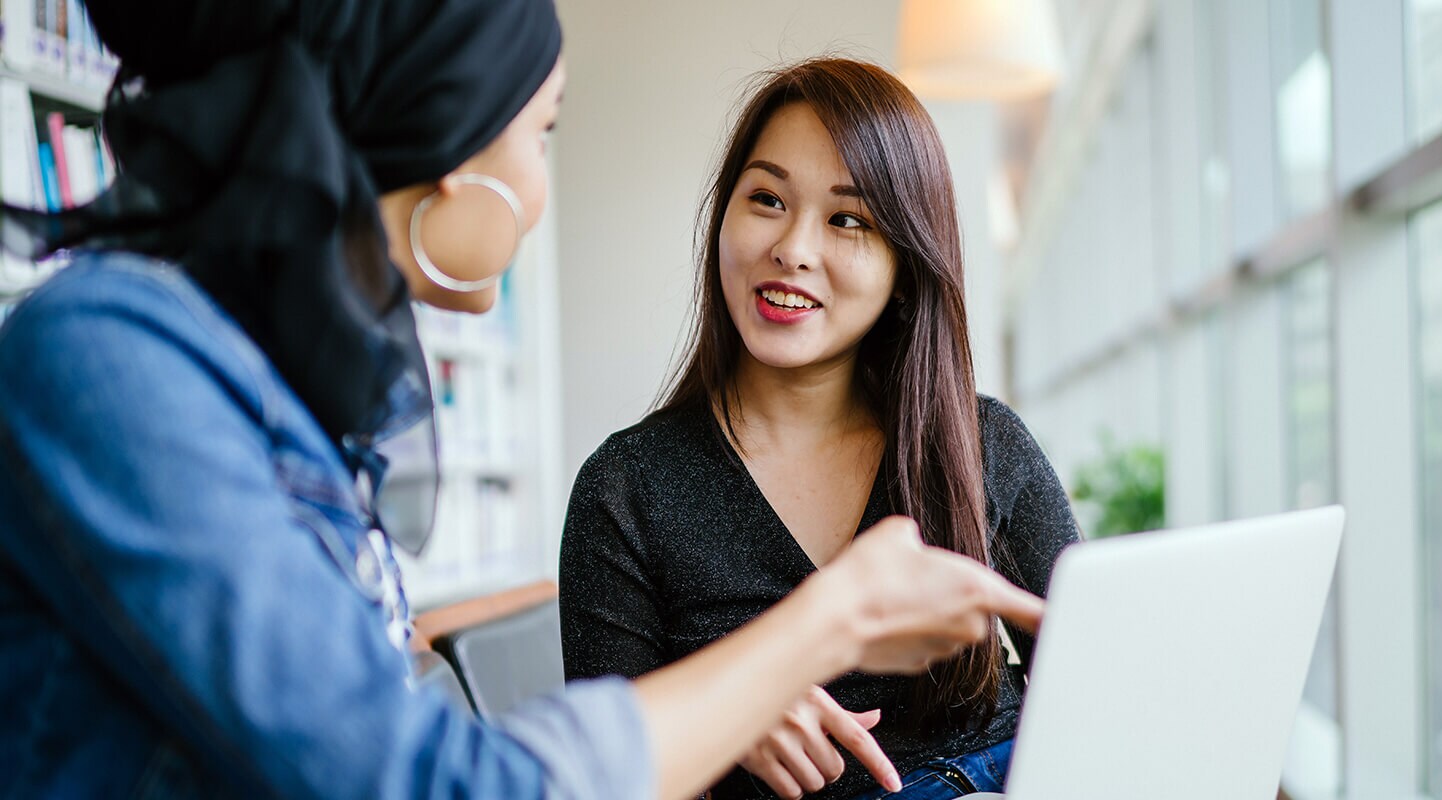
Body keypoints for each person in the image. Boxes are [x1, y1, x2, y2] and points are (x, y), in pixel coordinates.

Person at [0, 6, 1046, 799]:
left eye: (850, 221)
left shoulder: (281, 393)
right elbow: (432, 781)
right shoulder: (107, 360)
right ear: (449, 149)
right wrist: (823, 622)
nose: (540, 188)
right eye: (541, 133)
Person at [559, 58, 1080, 800]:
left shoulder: (982, 440)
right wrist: (726, 712)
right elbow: (604, 778)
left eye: (848, 219)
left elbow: (1093, 683)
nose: (794, 249)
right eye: (767, 199)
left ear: (906, 263)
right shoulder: (626, 490)